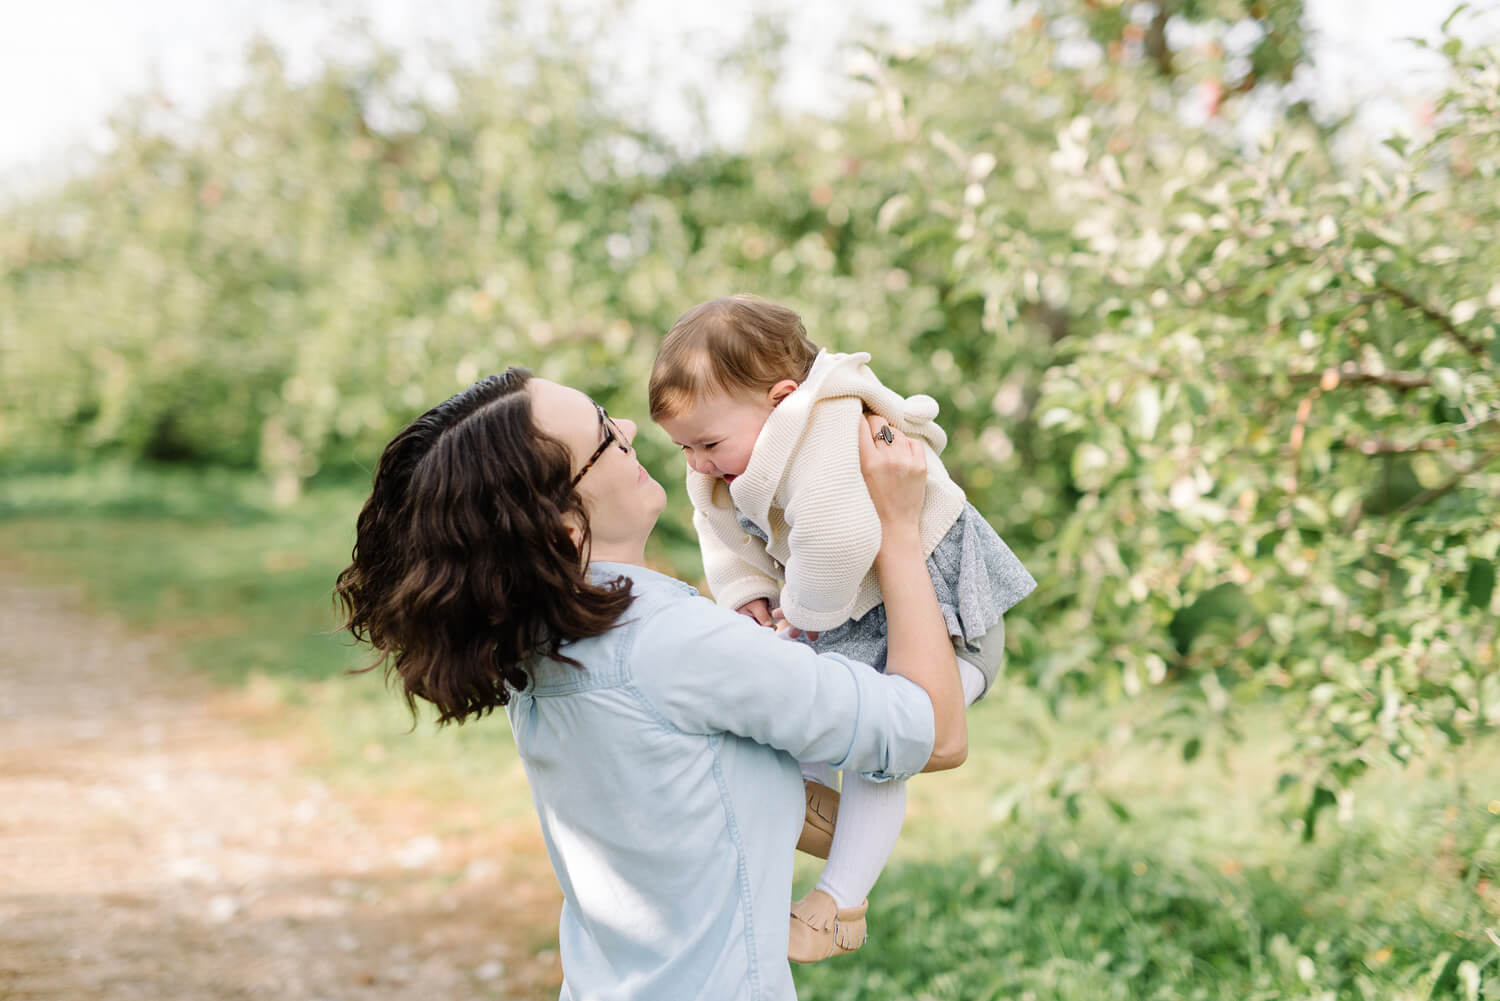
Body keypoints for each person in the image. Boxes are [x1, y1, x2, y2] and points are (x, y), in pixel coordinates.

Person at [334, 366, 968, 1001]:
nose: (631, 427)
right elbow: (933, 733)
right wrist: (896, 529)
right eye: (606, 436)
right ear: (566, 528)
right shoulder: (672, 643)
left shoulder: (539, 649)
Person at [650, 294, 1036, 962]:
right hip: (849, 621)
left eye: (708, 444)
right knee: (786, 718)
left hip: (946, 618)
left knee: (878, 741)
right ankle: (810, 804)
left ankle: (840, 901)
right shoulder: (725, 458)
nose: (697, 464)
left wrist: (796, 619)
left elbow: (837, 538)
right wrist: (747, 592)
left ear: (781, 398)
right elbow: (717, 530)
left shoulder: (828, 427)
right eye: (683, 447)